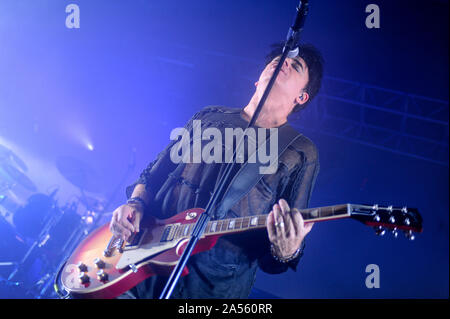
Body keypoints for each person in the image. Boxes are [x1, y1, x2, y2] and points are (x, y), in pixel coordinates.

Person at [110, 43, 324, 298]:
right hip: (136, 267)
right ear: (258, 79)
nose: (284, 62)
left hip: (209, 289)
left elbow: (274, 259)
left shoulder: (299, 151)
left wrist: (288, 250)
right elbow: (153, 174)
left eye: (295, 65)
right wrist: (134, 203)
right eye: (279, 60)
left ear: (301, 97)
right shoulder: (208, 117)